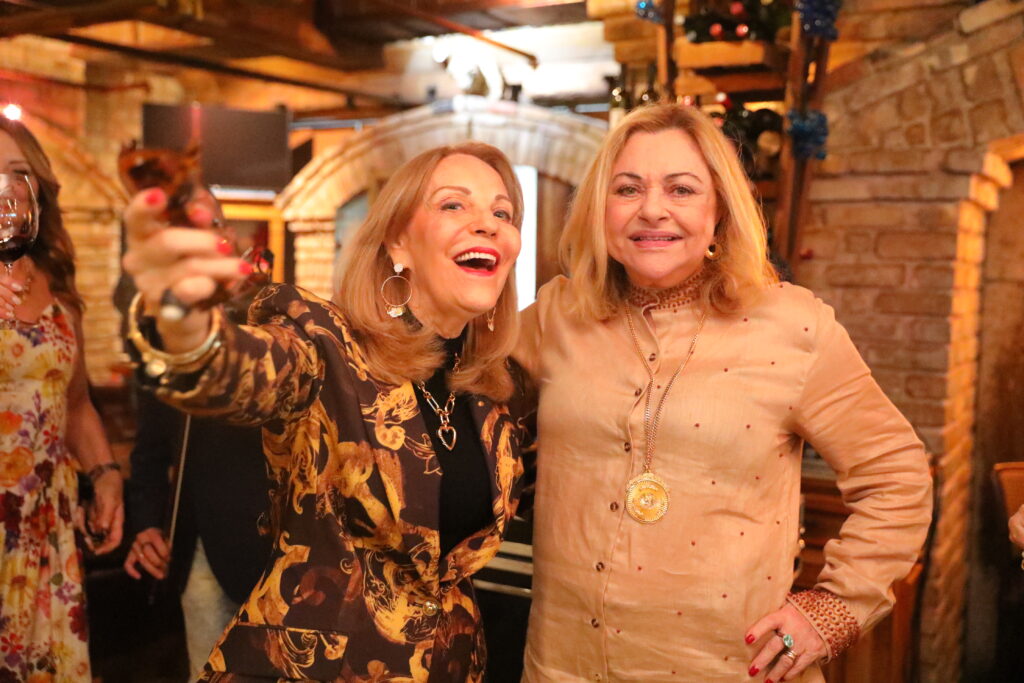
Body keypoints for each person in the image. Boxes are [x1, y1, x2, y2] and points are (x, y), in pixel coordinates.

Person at [514, 103, 933, 683]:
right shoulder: (556, 315)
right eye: (627, 189)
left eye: (682, 190)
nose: (652, 209)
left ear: (720, 212)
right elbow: (455, 399)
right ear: (598, 211)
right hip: (564, 666)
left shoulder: (793, 326)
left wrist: (833, 609)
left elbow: (897, 476)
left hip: (728, 668)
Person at [120, 141, 531, 682]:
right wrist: (185, 322)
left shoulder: (491, 390)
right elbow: (241, 370)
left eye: (503, 213)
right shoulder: (327, 345)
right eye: (453, 204)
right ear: (398, 242)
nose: (487, 224)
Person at [121, 212, 273, 680]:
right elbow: (151, 444)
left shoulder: (270, 317)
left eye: (214, 224)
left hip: (276, 543)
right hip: (203, 545)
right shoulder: (162, 330)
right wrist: (148, 522)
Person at [0, 116, 124, 680]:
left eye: (18, 174)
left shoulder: (56, 286)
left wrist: (105, 474)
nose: (5, 191)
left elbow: (73, 405)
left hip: (44, 529)